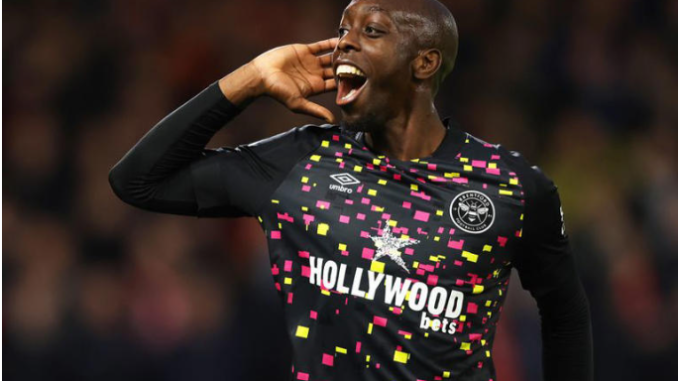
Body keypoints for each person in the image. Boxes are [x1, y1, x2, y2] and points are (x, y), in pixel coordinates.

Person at [109, 0, 593, 379]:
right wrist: (248, 80)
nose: (344, 45)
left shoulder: (507, 185)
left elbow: (565, 315)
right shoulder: (300, 163)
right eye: (342, 30)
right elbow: (138, 181)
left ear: (424, 63)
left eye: (371, 31)